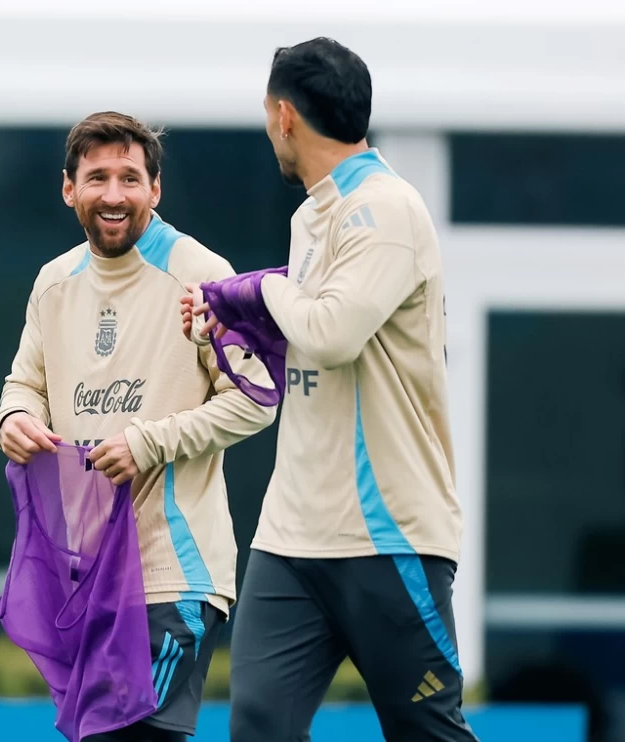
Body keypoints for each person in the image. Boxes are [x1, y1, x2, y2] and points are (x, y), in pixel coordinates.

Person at [182, 37, 478, 741]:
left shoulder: (387, 209)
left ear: (284, 117)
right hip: (293, 536)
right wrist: (231, 323)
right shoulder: (313, 215)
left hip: (388, 533)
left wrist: (261, 288)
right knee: (258, 728)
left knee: (426, 730)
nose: (267, 131)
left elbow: (337, 330)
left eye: (265, 117)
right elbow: (313, 354)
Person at [0, 111, 276, 741]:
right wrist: (12, 420)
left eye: (129, 177)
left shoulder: (201, 271)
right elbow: (24, 385)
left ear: (156, 189)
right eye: (97, 178)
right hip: (83, 577)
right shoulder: (53, 283)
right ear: (69, 189)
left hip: (173, 575)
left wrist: (150, 443)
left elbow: (258, 398)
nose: (113, 195)